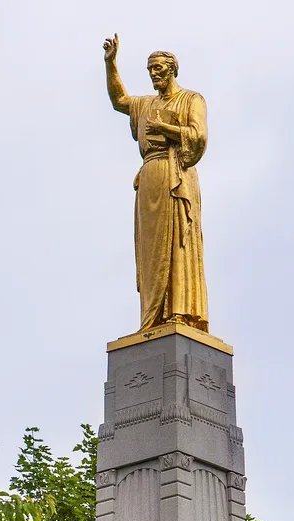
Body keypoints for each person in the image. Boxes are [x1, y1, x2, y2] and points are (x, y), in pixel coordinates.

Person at [103, 35, 209, 333]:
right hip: (150, 176)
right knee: (152, 250)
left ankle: (179, 311)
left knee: (177, 241)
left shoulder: (192, 99)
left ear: (172, 69)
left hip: (177, 173)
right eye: (150, 69)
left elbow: (198, 136)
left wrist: (165, 127)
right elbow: (119, 101)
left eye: (158, 68)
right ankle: (152, 315)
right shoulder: (146, 103)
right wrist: (111, 64)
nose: (154, 74)